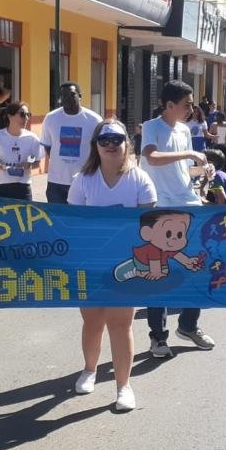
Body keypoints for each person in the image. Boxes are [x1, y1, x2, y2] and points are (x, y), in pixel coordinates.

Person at [68, 120, 155, 411]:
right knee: (92, 322)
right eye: (104, 139)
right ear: (95, 144)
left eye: (116, 138)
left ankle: (123, 386)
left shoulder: (140, 179)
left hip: (127, 263)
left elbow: (149, 228)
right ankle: (89, 370)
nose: (110, 144)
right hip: (91, 263)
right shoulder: (82, 179)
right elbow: (73, 224)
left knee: (121, 324)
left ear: (126, 142)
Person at [140, 79, 215, 357]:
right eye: (186, 104)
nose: (191, 109)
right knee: (158, 272)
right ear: (169, 105)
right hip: (160, 207)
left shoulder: (184, 130)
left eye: (192, 103)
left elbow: (182, 171)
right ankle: (158, 337)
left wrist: (202, 171)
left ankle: (189, 325)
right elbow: (154, 158)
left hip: (188, 203)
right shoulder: (151, 127)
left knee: (195, 266)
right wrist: (191, 153)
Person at [40, 82, 102, 203]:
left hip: (85, 180)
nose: (67, 98)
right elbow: (48, 147)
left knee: (82, 219)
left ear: (80, 96)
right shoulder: (51, 118)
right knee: (57, 219)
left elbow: (100, 150)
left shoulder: (94, 120)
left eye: (71, 95)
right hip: (56, 183)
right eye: (63, 96)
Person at [0, 101, 43, 200]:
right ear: (10, 116)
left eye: (28, 115)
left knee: (23, 216)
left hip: (23, 188)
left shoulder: (32, 138)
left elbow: (37, 162)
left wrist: (29, 164)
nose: (26, 118)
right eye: (22, 114)